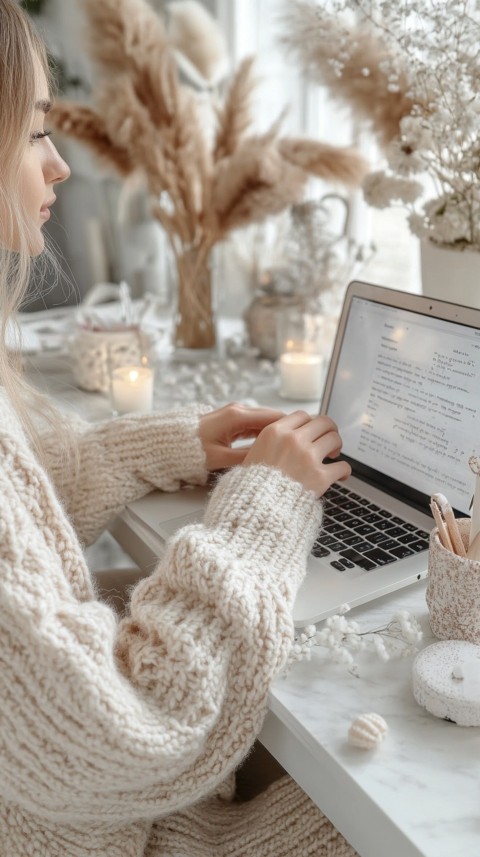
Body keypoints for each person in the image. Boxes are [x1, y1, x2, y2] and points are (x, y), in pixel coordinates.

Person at [0, 2, 357, 855]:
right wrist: (266, 507)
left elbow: (29, 531)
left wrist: (172, 445)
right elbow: (126, 732)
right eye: (32, 131)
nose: (58, 167)